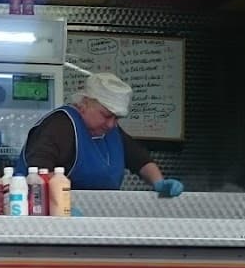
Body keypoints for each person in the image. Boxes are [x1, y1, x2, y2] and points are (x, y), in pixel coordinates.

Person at [18, 71, 184, 196]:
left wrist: (159, 182)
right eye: (106, 115)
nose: (112, 124)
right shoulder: (60, 125)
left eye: (117, 118)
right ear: (84, 103)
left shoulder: (111, 131)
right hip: (51, 220)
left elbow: (140, 159)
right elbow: (40, 172)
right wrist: (63, 207)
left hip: (98, 220)